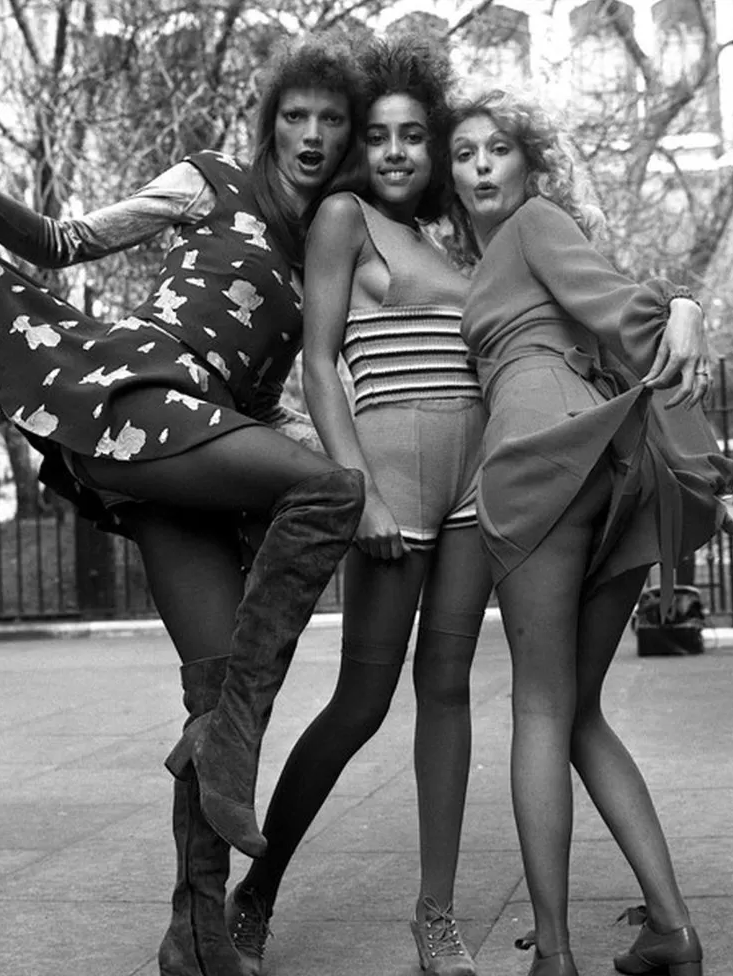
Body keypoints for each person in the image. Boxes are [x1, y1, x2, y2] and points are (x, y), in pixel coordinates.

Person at [0, 34, 369, 976]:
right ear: (271, 123)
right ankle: (235, 734)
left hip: (195, 454)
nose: (312, 134)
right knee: (333, 488)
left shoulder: (327, 246)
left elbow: (263, 401)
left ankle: (194, 936)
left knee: (213, 687)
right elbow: (67, 241)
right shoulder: (210, 181)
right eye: (296, 115)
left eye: (332, 120)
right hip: (140, 397)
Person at [445, 90, 733, 976]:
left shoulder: (532, 223)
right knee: (579, 711)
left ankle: (554, 954)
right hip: (609, 466)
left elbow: (631, 316)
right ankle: (671, 927)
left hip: (540, 461)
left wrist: (681, 302)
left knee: (539, 708)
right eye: (464, 153)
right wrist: (702, 481)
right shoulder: (498, 257)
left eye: (498, 148)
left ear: (529, 164)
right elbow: (625, 348)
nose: (480, 165)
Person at [224, 37, 491, 976]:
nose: (394, 151)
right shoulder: (345, 218)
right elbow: (317, 362)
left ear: (436, 143)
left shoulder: (456, 239)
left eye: (412, 135)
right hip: (391, 487)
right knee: (362, 703)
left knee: (448, 690)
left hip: (475, 490)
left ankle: (436, 916)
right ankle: (256, 893)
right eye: (375, 135)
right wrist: (359, 490)